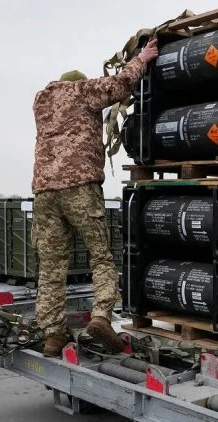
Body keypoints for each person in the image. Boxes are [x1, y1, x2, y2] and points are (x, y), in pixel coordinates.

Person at [31, 39, 159, 357]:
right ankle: (101, 318)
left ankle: (52, 336)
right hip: (80, 186)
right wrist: (141, 59)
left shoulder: (41, 102)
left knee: (51, 267)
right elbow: (119, 85)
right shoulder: (82, 91)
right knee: (101, 257)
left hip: (44, 192)